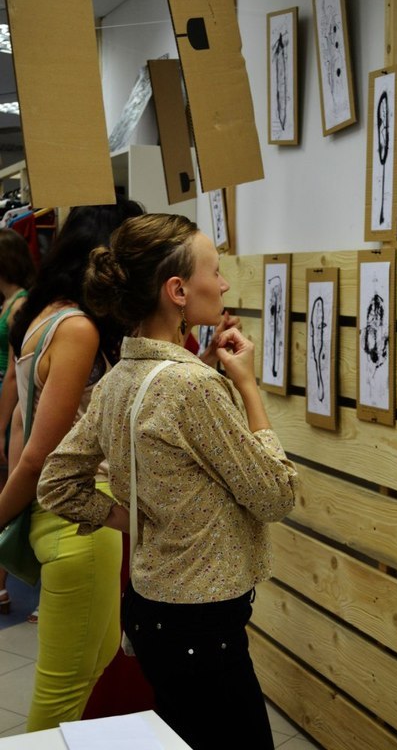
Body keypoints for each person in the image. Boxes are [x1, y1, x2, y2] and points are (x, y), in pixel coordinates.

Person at [37, 213, 300, 750]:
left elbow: (57, 482)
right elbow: (276, 495)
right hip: (202, 626)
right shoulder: (191, 387)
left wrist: (132, 519)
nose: (223, 284)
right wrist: (248, 388)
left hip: (153, 609)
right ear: (178, 290)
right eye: (214, 271)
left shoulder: (119, 378)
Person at [0, 197, 143, 731]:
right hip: (80, 522)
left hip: (71, 521)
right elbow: (40, 452)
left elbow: (21, 426)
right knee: (64, 693)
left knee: (87, 671)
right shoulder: (78, 328)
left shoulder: (45, 316)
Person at [0, 228, 36, 613]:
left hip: (10, 402)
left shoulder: (20, 303)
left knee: (10, 487)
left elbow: (14, 371)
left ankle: (5, 584)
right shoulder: (11, 301)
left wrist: (1, 426)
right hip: (6, 399)